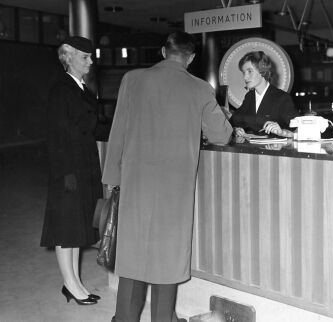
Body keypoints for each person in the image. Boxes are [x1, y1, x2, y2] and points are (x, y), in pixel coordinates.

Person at [102, 31, 232, 322]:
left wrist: (111, 180)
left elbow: (118, 133)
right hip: (175, 191)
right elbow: (222, 136)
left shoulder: (132, 80)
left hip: (136, 186)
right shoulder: (199, 88)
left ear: (163, 51)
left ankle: (124, 318)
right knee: (166, 261)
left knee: (133, 258)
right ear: (192, 57)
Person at [40, 36, 103, 305]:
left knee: (76, 226)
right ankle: (70, 283)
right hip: (68, 169)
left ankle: (75, 282)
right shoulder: (61, 90)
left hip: (84, 165)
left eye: (90, 57)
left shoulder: (81, 90)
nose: (90, 62)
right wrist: (66, 173)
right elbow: (56, 136)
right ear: (69, 58)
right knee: (66, 228)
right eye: (84, 57)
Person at [229, 51, 299, 137]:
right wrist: (235, 129)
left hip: (276, 149)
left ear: (262, 71)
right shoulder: (249, 97)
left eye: (250, 71)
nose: (245, 77)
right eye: (244, 72)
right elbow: (233, 121)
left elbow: (299, 130)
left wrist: (282, 132)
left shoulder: (282, 98)